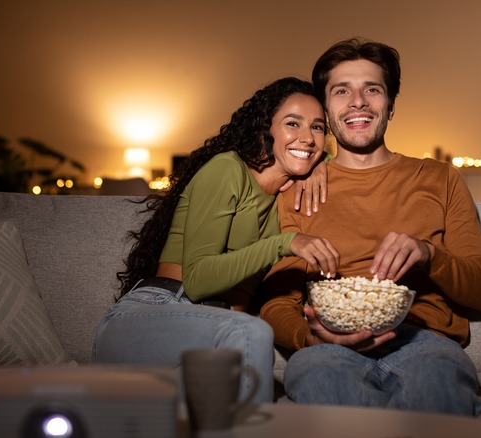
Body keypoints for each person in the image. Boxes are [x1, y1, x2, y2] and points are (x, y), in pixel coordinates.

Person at [259, 38, 481, 415]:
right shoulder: (296, 190)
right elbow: (278, 301)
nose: (357, 101)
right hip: (329, 346)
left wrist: (430, 254)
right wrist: (309, 339)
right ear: (326, 109)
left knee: (438, 394)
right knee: (325, 391)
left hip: (424, 341)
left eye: (371, 89)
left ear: (390, 106)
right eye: (342, 91)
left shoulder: (439, 178)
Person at [92, 77, 340, 404]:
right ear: (264, 129)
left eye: (318, 128)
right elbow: (196, 281)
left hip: (212, 329)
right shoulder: (227, 170)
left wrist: (323, 163)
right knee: (251, 332)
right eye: (293, 123)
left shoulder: (287, 197)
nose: (307, 138)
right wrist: (286, 243)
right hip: (152, 314)